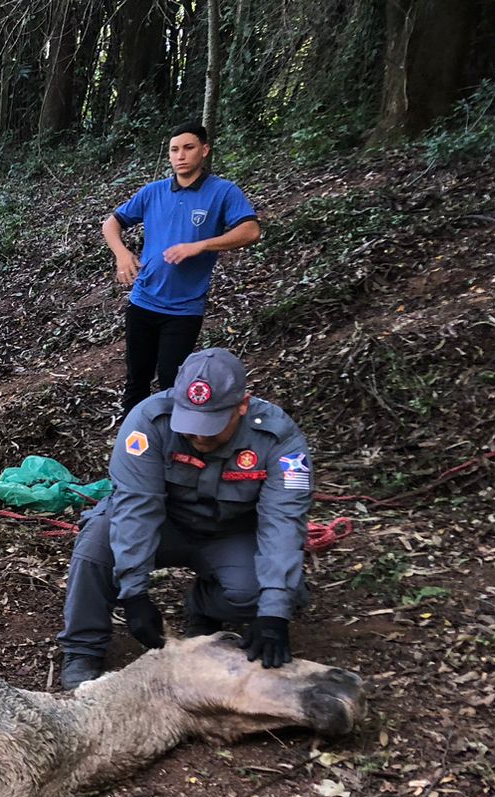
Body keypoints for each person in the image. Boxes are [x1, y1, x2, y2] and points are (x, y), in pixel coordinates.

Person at [57, 348, 312, 690]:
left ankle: (204, 607)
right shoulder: (148, 422)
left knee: (260, 593)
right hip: (164, 526)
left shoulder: (277, 438)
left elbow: (283, 522)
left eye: (213, 426)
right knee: (98, 540)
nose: (201, 437)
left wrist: (274, 612)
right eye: (191, 426)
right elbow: (136, 508)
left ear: (242, 405)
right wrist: (134, 593)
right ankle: (82, 648)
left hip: (229, 533)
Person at [104, 120, 260, 415]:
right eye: (174, 150)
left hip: (184, 309)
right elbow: (111, 223)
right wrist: (122, 254)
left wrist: (201, 245)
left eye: (188, 148)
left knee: (171, 381)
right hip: (143, 301)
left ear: (204, 150)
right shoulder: (153, 192)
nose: (181, 155)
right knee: (136, 379)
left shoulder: (223, 192)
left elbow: (251, 231)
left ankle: (174, 435)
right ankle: (132, 437)